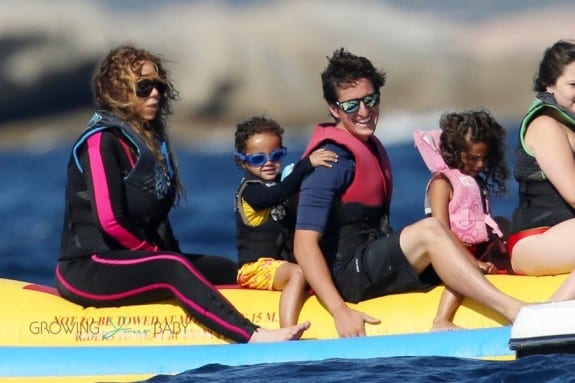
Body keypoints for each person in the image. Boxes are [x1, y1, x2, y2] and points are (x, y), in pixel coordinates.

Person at [55, 44, 309, 343]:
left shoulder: (149, 140)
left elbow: (158, 221)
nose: (155, 94)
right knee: (174, 267)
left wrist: (171, 257)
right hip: (89, 267)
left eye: (159, 86)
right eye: (144, 87)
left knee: (228, 269)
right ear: (118, 91)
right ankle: (254, 336)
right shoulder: (100, 142)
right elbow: (110, 221)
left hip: (138, 261)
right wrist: (163, 259)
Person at [293, 47, 527, 338]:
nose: (364, 111)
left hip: (371, 261)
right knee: (430, 230)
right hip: (346, 278)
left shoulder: (371, 147)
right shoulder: (329, 163)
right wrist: (340, 311)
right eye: (352, 105)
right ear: (334, 109)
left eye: (370, 100)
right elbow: (303, 245)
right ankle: (514, 311)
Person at [233, 116, 337, 327]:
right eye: (257, 159)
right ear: (242, 161)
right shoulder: (250, 190)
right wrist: (305, 165)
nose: (269, 163)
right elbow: (274, 196)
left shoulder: (281, 182)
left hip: (279, 266)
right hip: (254, 269)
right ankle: (288, 330)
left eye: (276, 155)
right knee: (298, 272)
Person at [414, 110, 511, 331]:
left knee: (505, 223)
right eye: (473, 158)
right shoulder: (442, 183)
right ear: (456, 153)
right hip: (449, 256)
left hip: (475, 251)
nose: (480, 164)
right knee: (461, 277)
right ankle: (441, 320)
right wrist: (471, 261)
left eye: (485, 158)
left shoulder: (473, 181)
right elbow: (440, 230)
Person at [508, 39, 575, 300]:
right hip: (535, 240)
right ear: (549, 84)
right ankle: (548, 315)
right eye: (573, 85)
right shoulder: (546, 125)